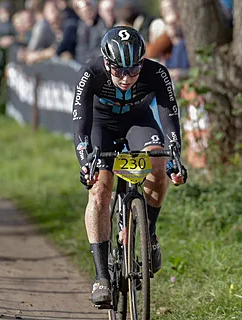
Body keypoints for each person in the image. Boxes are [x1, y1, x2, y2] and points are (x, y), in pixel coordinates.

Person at [72, 26, 187, 307]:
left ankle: (148, 231)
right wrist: (85, 159)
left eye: (133, 71)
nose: (126, 78)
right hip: (102, 125)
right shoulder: (91, 73)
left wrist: (175, 156)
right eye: (119, 71)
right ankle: (101, 276)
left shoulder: (156, 73)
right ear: (106, 63)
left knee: (159, 166)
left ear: (142, 63)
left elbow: (169, 113)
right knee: (100, 189)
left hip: (139, 121)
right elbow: (80, 122)